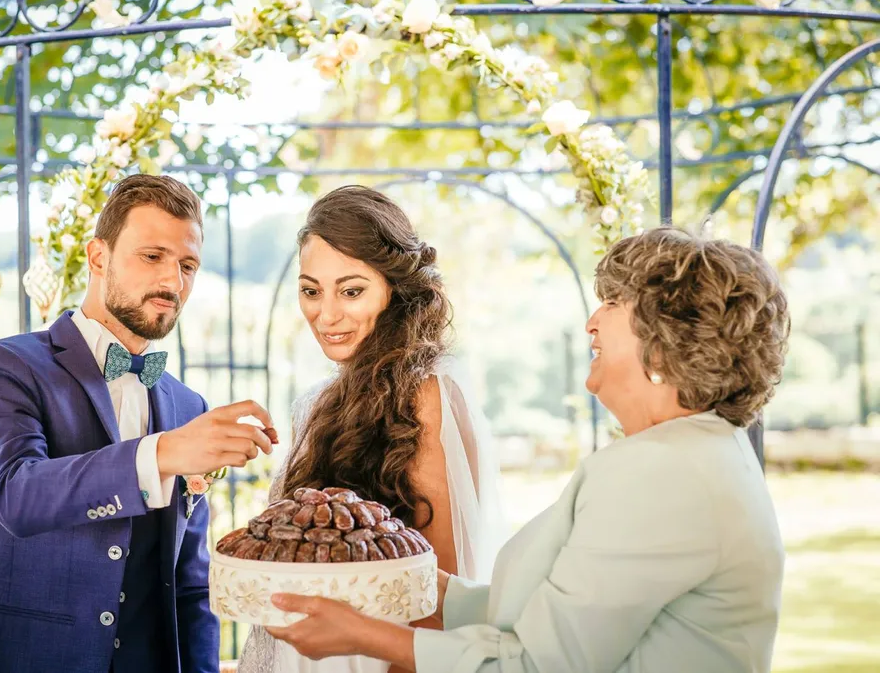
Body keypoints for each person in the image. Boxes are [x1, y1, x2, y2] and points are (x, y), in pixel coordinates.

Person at [265, 226, 791, 673]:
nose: (592, 322)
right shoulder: (701, 453)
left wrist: (364, 635)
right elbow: (546, 613)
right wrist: (396, 578)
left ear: (665, 339)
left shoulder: (663, 471)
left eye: (613, 303)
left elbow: (540, 664)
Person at [0, 174, 275, 673]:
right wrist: (162, 454)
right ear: (99, 257)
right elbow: (15, 495)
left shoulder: (188, 405)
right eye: (152, 256)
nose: (173, 282)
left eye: (187, 265)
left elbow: (189, 582)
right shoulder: (5, 367)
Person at [239, 185, 508, 673]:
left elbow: (436, 596)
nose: (326, 314)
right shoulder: (316, 403)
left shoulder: (428, 394)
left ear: (395, 289)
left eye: (351, 290)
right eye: (311, 291)